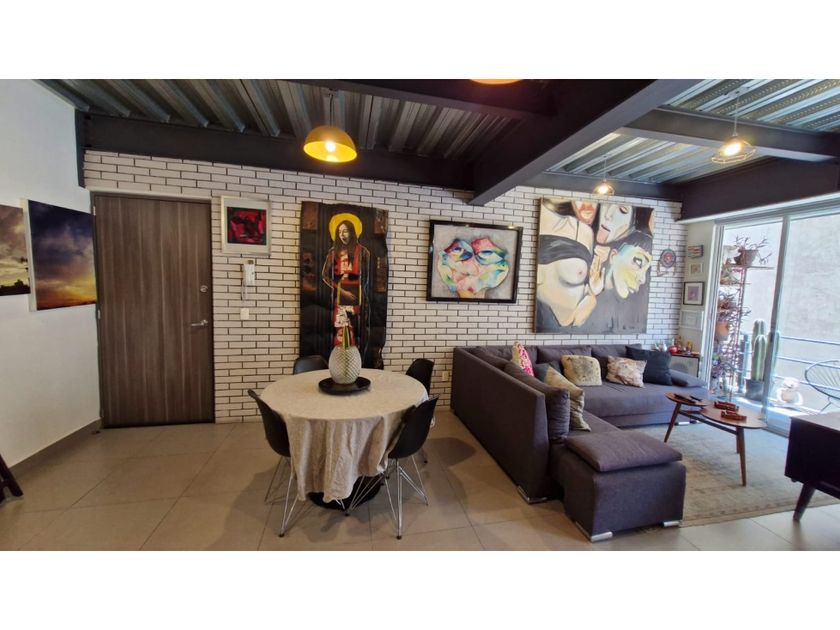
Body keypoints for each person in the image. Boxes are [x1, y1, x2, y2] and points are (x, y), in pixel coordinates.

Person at [321, 214, 371, 351]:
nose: (342, 235)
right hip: (339, 300)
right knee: (341, 332)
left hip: (358, 299)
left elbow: (366, 278)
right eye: (339, 232)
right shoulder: (333, 252)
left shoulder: (363, 252)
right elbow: (325, 275)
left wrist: (356, 294)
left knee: (358, 332)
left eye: (345, 231)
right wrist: (342, 291)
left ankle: (356, 360)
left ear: (352, 232)